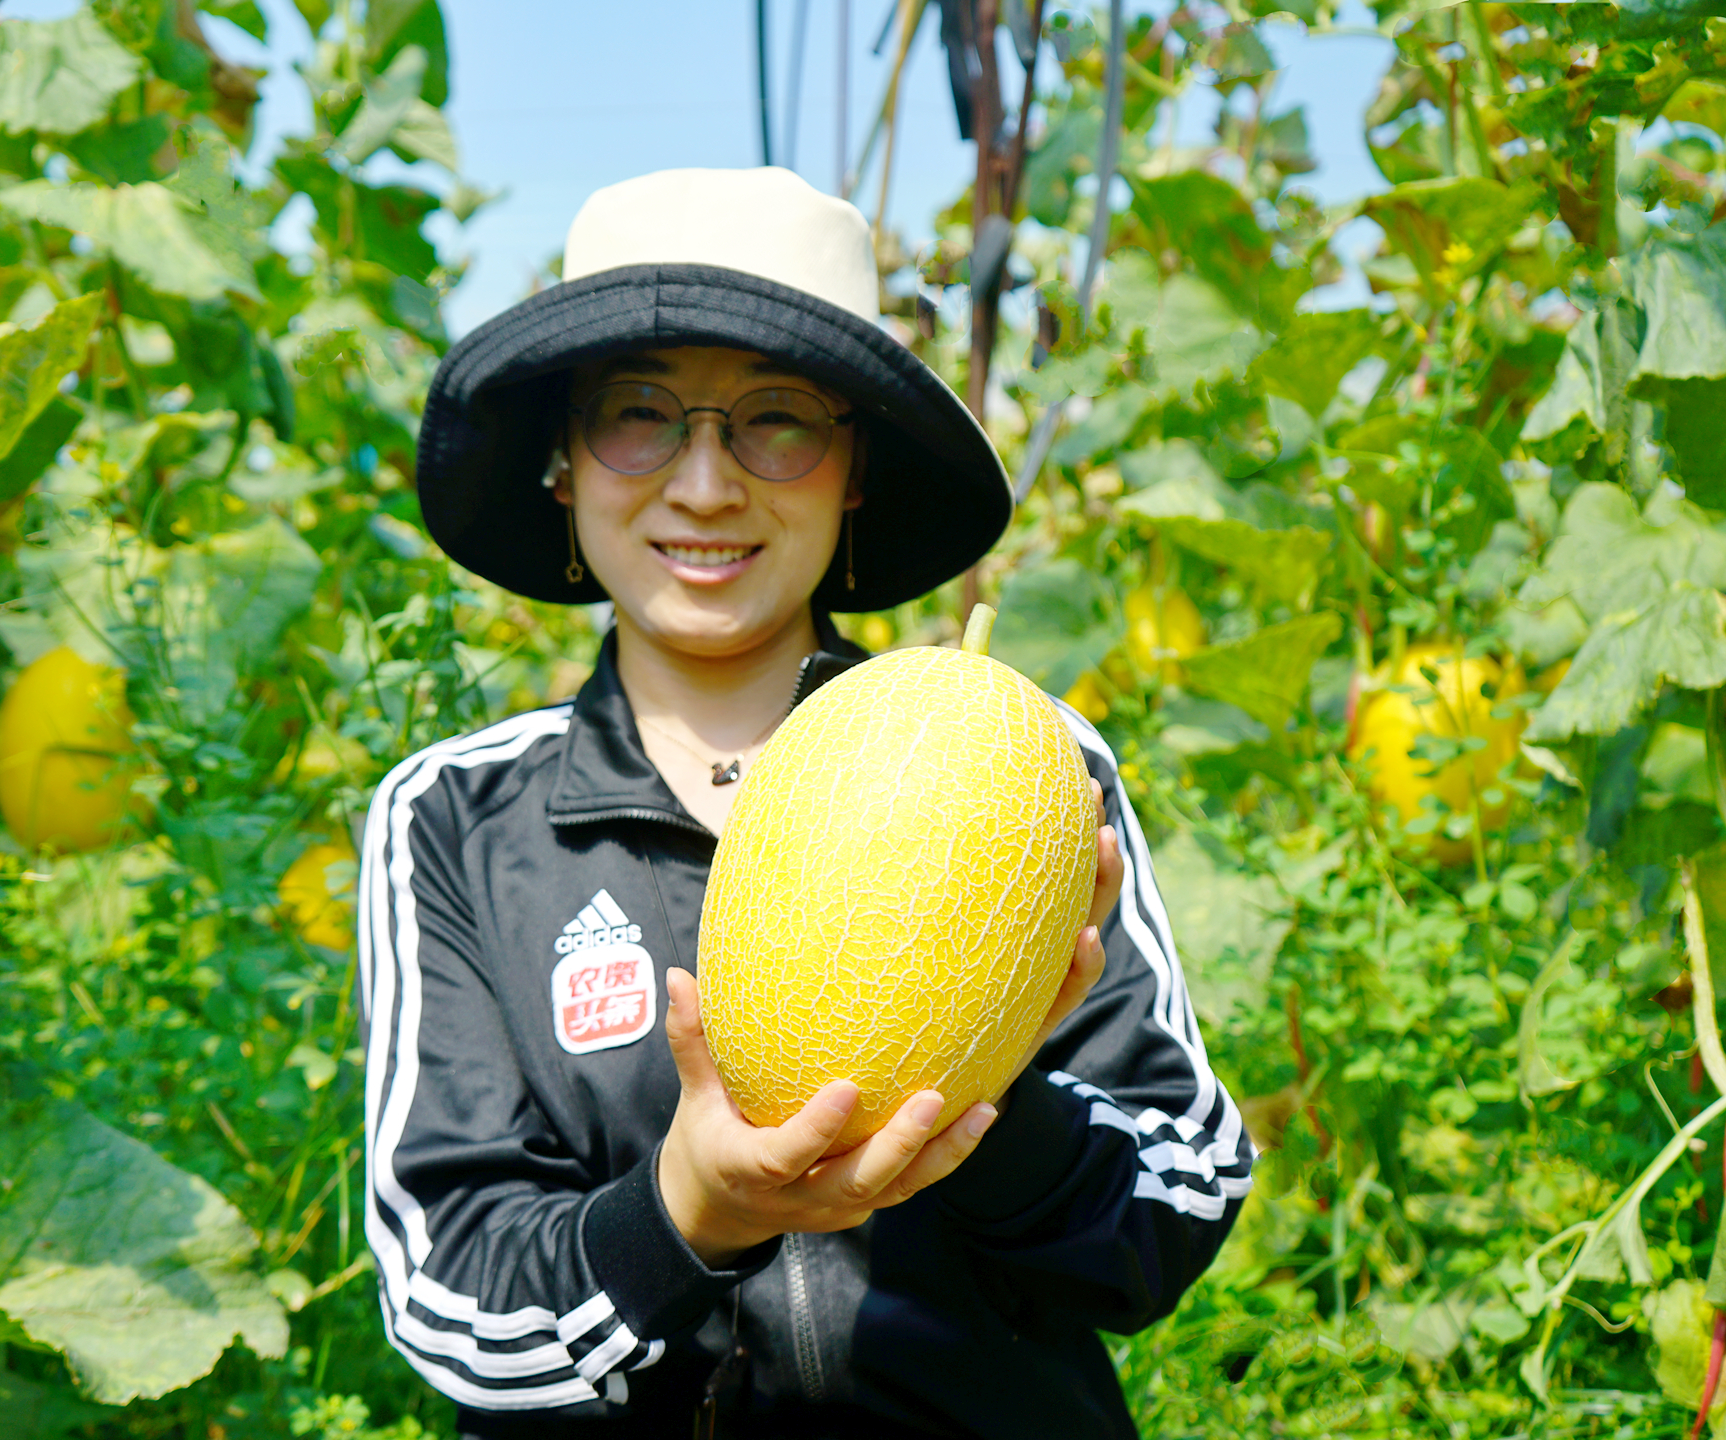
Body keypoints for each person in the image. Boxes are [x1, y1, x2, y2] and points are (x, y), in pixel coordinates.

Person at [359, 167, 1250, 1439]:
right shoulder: (454, 815)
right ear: (562, 461)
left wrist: (989, 1101)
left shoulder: (1035, 763)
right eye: (638, 416)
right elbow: (456, 1304)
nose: (707, 484)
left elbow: (1178, 1207)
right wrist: (686, 1213)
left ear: (856, 467)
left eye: (777, 421)